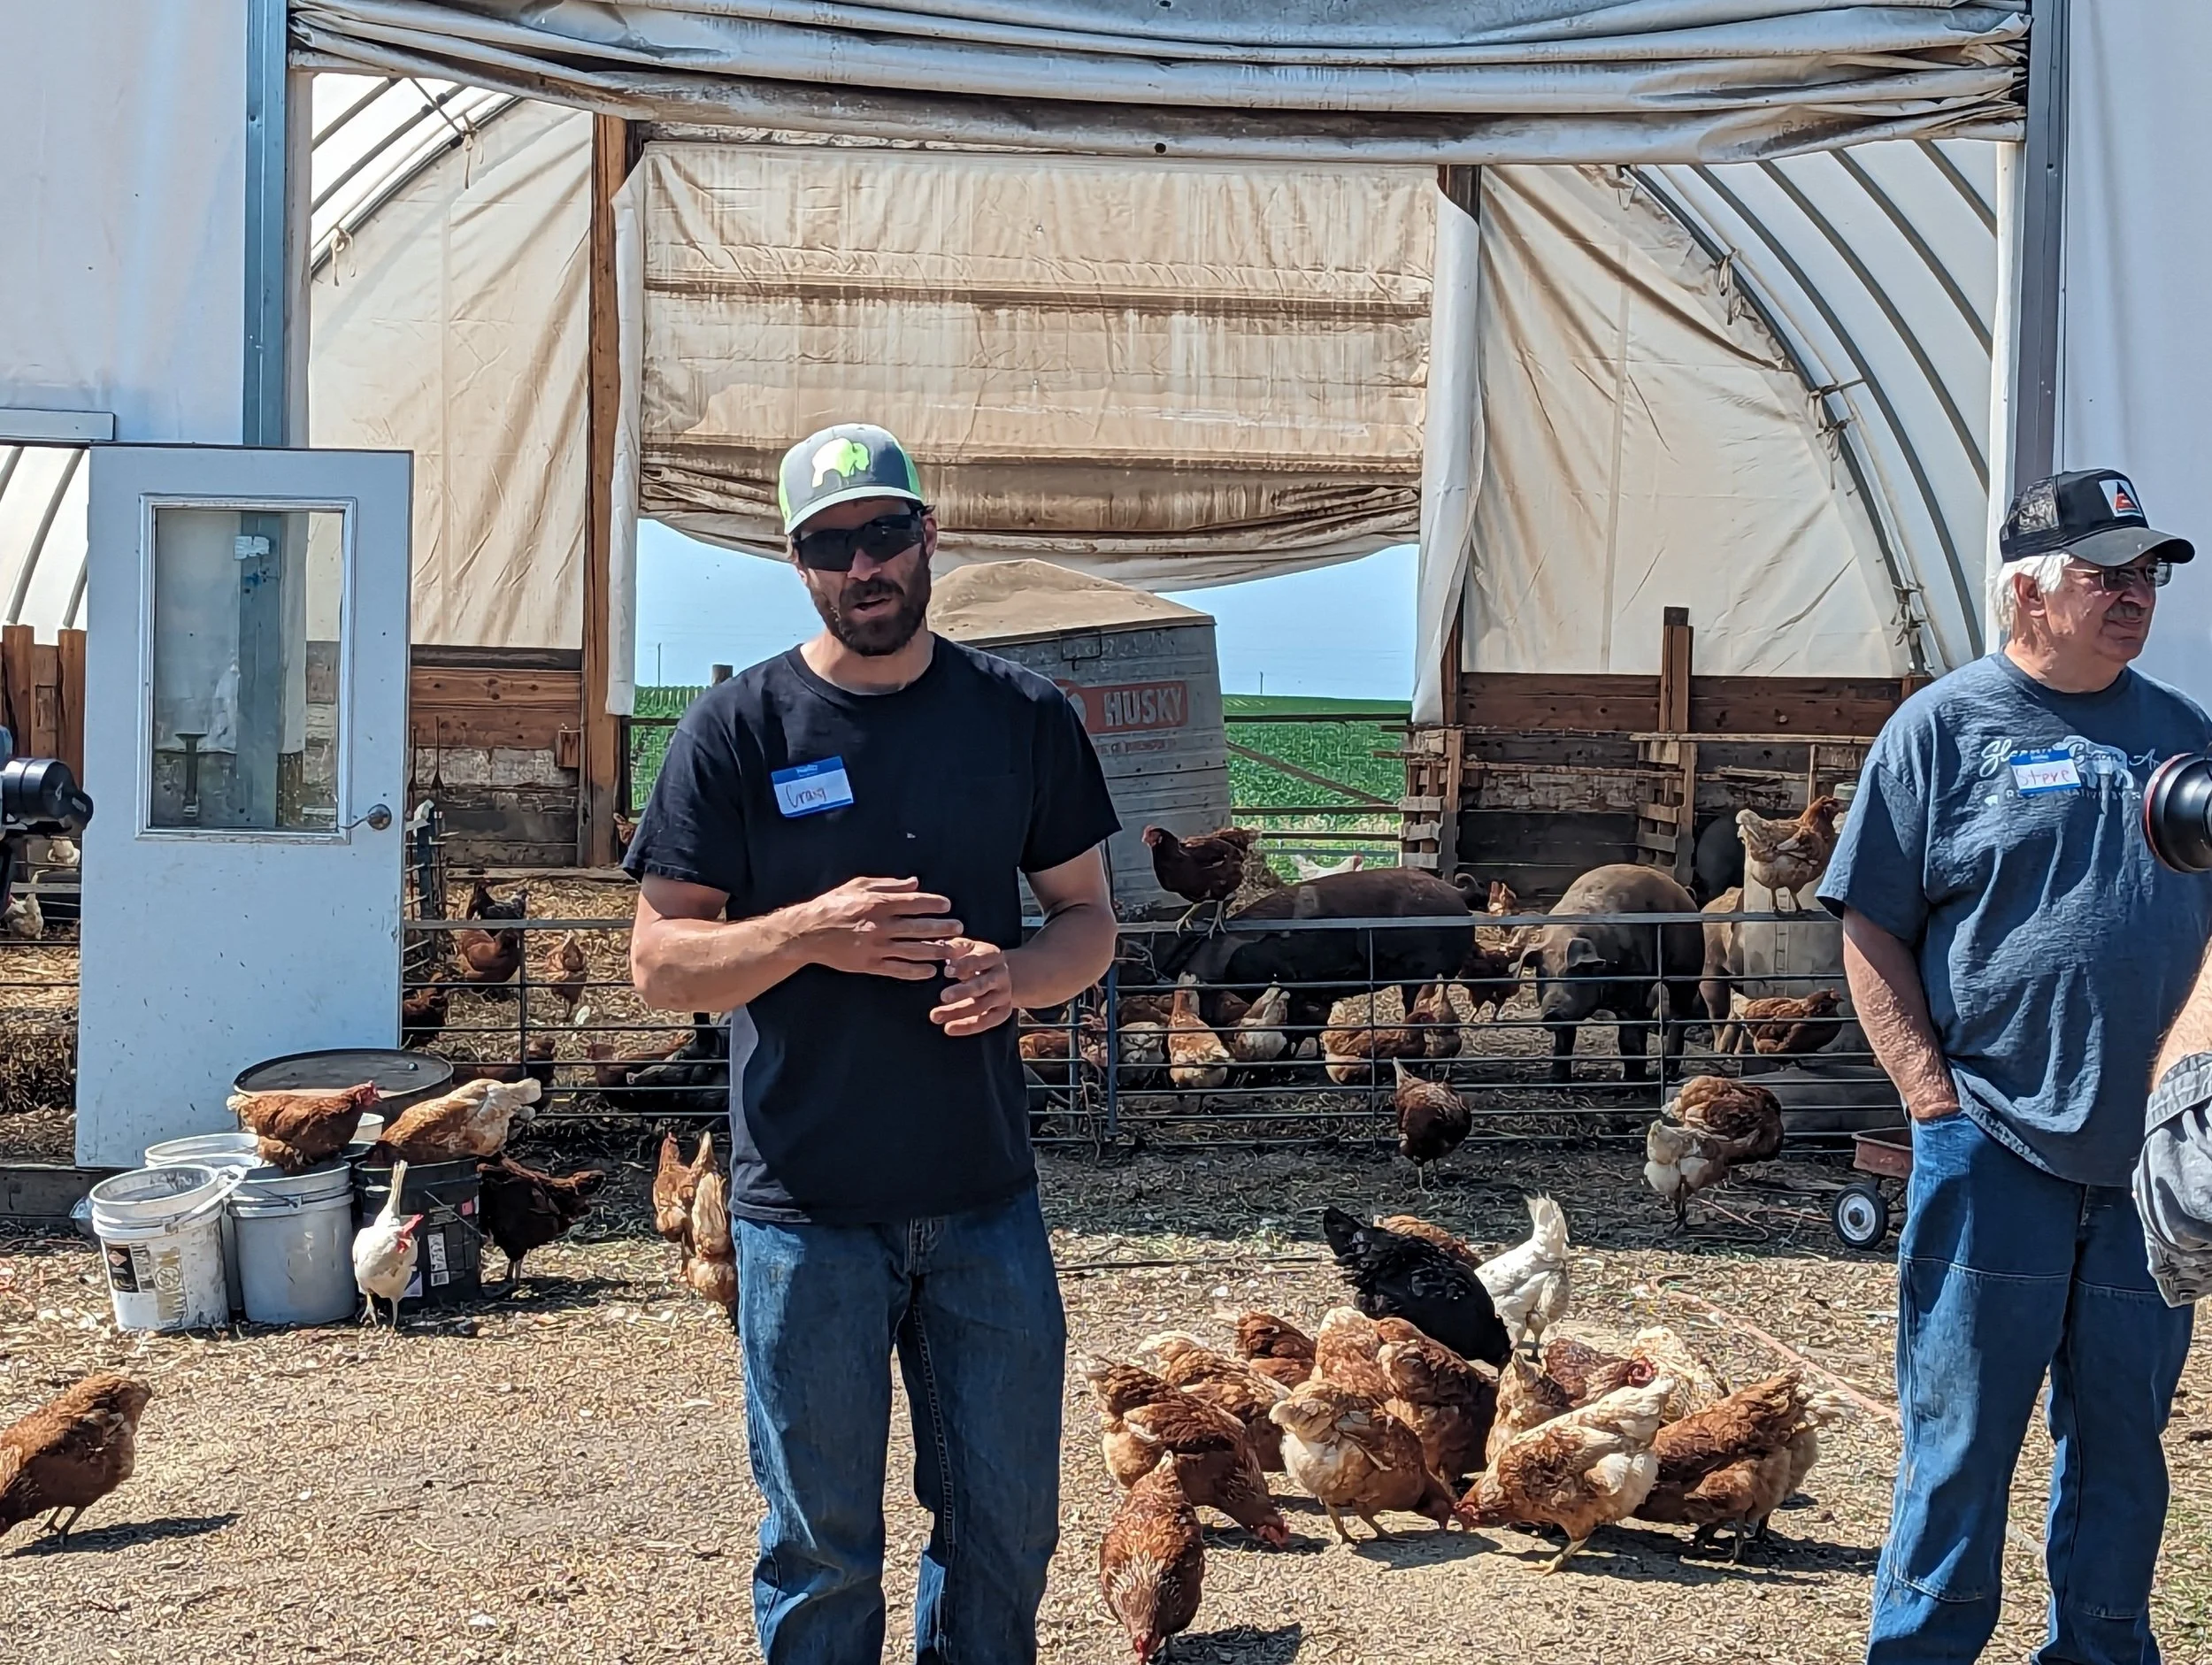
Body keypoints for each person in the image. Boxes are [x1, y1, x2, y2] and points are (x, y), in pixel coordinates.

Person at [624, 423, 1121, 1664]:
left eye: (886, 533)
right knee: (822, 1545)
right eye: (831, 545)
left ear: (927, 534)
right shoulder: (737, 730)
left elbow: (1088, 921)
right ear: (795, 562)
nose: (865, 566)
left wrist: (1018, 976)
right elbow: (658, 962)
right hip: (805, 1209)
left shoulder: (1021, 718)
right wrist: (808, 932)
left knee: (1005, 1530)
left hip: (983, 1199)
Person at [1818, 467, 2208, 1665]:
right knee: (1961, 1443)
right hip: (1992, 1147)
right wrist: (1932, 1102)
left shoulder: (2187, 738)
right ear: (2030, 592)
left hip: (2147, 1166)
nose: (2136, 595)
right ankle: (1922, 1651)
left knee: (2125, 1447)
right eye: (2108, 574)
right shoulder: (1942, 731)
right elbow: (1870, 925)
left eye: (2149, 575)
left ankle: (2101, 1650)